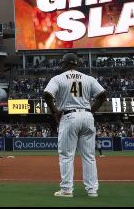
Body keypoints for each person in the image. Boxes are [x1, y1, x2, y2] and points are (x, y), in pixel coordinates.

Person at [44, 53, 107, 199]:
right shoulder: (88, 78)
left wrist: (54, 112)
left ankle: (67, 190)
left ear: (65, 63)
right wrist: (92, 110)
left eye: (62, 63)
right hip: (87, 116)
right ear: (77, 64)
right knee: (89, 156)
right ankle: (92, 190)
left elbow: (47, 94)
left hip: (69, 116)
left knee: (66, 156)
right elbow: (103, 95)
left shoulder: (58, 78)